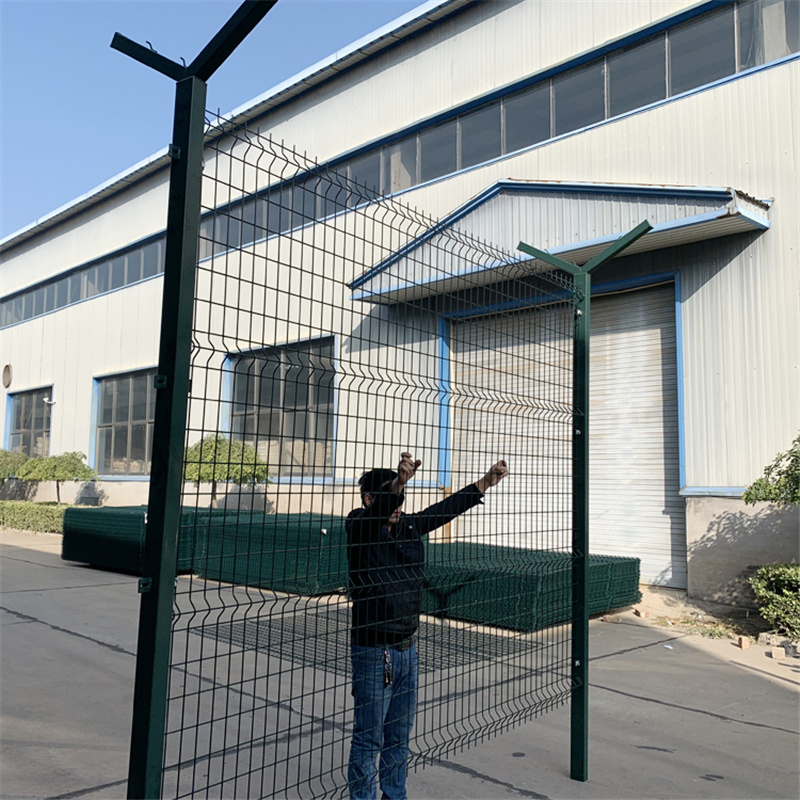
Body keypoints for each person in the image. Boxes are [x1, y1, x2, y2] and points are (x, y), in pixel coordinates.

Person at [346, 451, 508, 799]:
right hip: (373, 652)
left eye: (400, 493)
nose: (398, 502)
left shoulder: (409, 527)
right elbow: (375, 514)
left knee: (398, 736)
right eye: (390, 493)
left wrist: (485, 482)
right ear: (370, 499)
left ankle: (394, 795)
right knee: (368, 737)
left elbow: (446, 509)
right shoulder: (359, 527)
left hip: (408, 650)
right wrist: (398, 485)